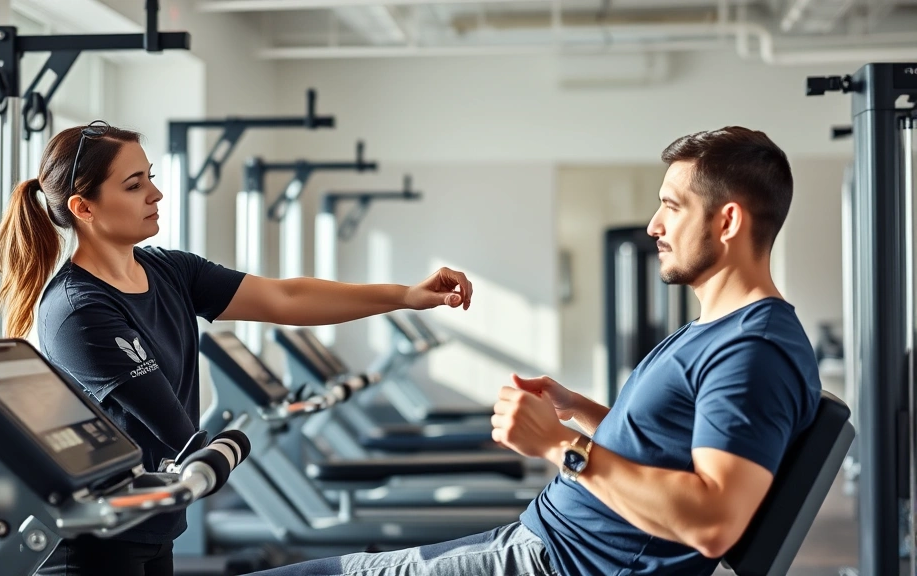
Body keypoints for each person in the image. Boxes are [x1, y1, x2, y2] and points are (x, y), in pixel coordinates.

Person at [246, 126, 823, 576]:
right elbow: (672, 446)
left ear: (726, 221)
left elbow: (715, 522)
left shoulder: (752, 351)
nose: (652, 225)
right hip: (549, 544)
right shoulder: (724, 330)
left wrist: (558, 444)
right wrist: (581, 411)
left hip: (562, 563)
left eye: (672, 206)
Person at [0, 120, 474, 576]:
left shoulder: (170, 271)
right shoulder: (78, 308)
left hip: (155, 520)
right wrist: (212, 449)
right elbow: (170, 425)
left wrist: (405, 296)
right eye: (134, 184)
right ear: (84, 208)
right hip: (93, 539)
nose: (156, 194)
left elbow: (286, 297)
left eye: (151, 178)